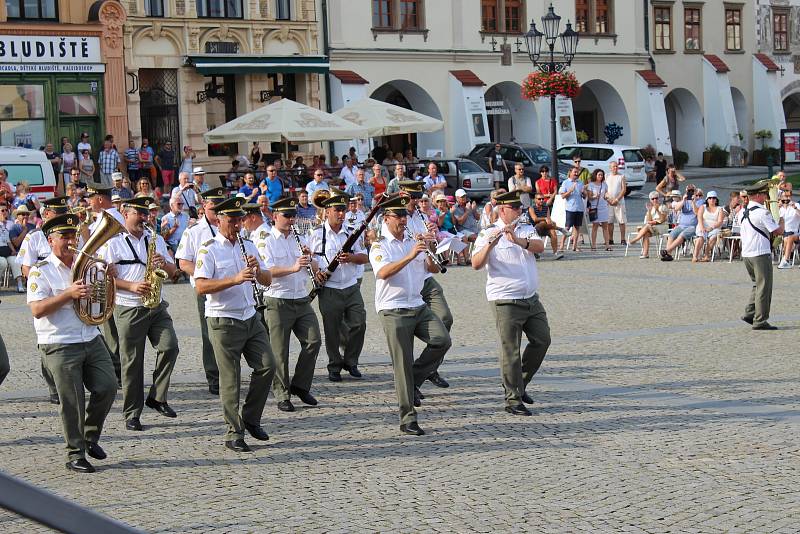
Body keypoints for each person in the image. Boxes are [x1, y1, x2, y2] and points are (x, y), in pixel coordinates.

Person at [27, 213, 118, 473]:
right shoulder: (40, 270)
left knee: (108, 387)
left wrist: (109, 276)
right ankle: (74, 453)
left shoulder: (87, 263)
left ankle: (89, 437)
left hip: (90, 336)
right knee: (72, 401)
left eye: (73, 236)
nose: (70, 241)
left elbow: (104, 297)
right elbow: (37, 309)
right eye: (64, 237)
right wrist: (68, 294)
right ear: (50, 240)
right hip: (59, 343)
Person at [194, 196, 276, 452]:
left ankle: (250, 418)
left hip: (250, 316)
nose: (237, 225)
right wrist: (235, 279)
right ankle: (233, 433)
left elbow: (267, 280)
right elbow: (201, 286)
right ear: (219, 220)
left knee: (268, 366)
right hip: (223, 319)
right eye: (231, 221)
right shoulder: (209, 249)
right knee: (231, 379)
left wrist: (257, 271)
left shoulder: (248, 245)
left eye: (239, 220)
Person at [369, 194, 451, 435]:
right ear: (387, 218)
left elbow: (433, 268)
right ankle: (407, 419)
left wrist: (433, 247)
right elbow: (383, 272)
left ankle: (413, 380)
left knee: (442, 339)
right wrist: (410, 254)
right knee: (401, 364)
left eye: (405, 216)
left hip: (417, 304)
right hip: (393, 308)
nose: (404, 220)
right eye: (399, 216)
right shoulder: (379, 245)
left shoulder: (412, 240)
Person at [101, 197, 179, 432]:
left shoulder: (154, 239)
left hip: (155, 305)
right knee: (132, 362)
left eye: (147, 214)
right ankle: (132, 413)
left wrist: (164, 263)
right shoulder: (112, 243)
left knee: (170, 347)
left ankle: (157, 396)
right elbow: (104, 279)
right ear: (126, 212)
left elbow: (174, 271)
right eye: (140, 213)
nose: (145, 219)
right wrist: (131, 286)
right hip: (129, 306)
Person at [472, 190, 550, 416]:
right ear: (502, 210)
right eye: (515, 208)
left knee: (542, 339)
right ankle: (513, 399)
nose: (520, 211)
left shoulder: (525, 228)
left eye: (520, 207)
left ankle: (518, 382)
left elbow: (539, 247)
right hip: (505, 300)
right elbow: (476, 264)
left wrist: (516, 239)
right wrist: (491, 244)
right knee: (511, 350)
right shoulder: (487, 232)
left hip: (530, 298)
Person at [256, 197, 322, 412]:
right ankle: (282, 393)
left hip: (300, 297)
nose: (291, 220)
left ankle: (300, 386)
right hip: (277, 298)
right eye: (287, 216)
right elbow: (265, 272)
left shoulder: (298, 237)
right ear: (275, 216)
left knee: (313, 340)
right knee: (279, 350)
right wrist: (293, 267)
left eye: (293, 216)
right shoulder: (266, 239)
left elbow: (313, 265)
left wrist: (309, 258)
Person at [308, 192, 369, 381]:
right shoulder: (317, 233)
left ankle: (351, 361)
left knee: (359, 323)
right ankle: (334, 365)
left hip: (350, 286)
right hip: (330, 288)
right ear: (327, 212)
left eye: (343, 210)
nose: (341, 214)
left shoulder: (352, 232)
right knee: (332, 329)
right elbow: (311, 259)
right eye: (337, 210)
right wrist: (316, 271)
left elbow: (364, 257)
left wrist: (351, 257)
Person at [399, 180, 453, 389]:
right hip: (406, 279)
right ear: (403, 195)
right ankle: (413, 379)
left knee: (445, 318)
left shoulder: (421, 217)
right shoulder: (395, 217)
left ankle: (426, 369)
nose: (415, 202)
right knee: (409, 332)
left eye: (418, 198)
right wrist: (417, 240)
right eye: (412, 198)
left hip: (425, 276)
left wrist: (431, 238)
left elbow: (431, 249)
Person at [176, 188, 227, 394]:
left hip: (230, 285)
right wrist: (202, 275)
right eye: (213, 208)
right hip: (206, 289)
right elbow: (183, 262)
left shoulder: (229, 227)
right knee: (209, 334)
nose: (216, 212)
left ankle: (229, 372)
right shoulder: (194, 231)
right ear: (204, 206)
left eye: (219, 208)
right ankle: (214, 376)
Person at [739, 182, 782, 330]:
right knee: (764, 287)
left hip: (747, 254)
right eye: (764, 194)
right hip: (760, 253)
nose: (766, 197)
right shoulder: (762, 212)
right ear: (757, 195)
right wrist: (781, 220)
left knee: (757, 284)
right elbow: (777, 231)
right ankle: (760, 320)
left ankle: (750, 313)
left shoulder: (742, 212)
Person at [661, 184, 703, 261]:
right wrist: (683, 200)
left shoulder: (700, 201)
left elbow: (697, 212)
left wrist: (693, 202)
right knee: (672, 234)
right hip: (681, 225)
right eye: (689, 191)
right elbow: (676, 209)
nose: (690, 192)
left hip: (693, 226)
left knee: (682, 235)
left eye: (692, 191)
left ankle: (667, 251)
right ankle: (668, 255)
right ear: (686, 191)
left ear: (695, 191)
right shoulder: (684, 200)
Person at [629, 192, 668, 259]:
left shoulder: (663, 207)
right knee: (646, 233)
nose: (655, 200)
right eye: (653, 199)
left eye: (656, 198)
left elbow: (662, 220)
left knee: (646, 227)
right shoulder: (651, 208)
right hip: (652, 227)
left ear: (659, 198)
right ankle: (645, 253)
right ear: (650, 200)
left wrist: (657, 210)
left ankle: (635, 239)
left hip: (662, 227)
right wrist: (649, 211)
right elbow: (648, 220)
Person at [558, 167, 586, 252]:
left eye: (577, 172)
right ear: (570, 173)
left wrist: (584, 193)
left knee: (577, 227)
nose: (577, 174)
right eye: (575, 172)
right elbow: (562, 196)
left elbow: (584, 196)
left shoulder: (580, 182)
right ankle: (562, 244)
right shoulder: (566, 183)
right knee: (567, 227)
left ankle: (574, 246)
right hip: (570, 208)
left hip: (579, 207)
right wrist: (570, 191)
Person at [693, 191, 724, 262]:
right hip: (702, 225)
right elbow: (699, 217)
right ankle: (695, 256)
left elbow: (720, 222)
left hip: (714, 227)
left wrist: (711, 227)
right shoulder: (703, 207)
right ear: (707, 199)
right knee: (700, 238)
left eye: (714, 198)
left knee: (713, 237)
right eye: (710, 198)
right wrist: (702, 227)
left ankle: (706, 255)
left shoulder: (720, 208)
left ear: (716, 199)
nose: (712, 199)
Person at [529, 193, 561, 258]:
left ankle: (555, 253)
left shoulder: (546, 208)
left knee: (552, 232)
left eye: (543, 199)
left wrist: (550, 222)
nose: (541, 200)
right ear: (535, 200)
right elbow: (535, 219)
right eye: (539, 199)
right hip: (534, 228)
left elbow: (548, 219)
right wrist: (545, 219)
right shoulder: (531, 208)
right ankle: (559, 228)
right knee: (542, 223)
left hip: (545, 228)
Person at [0, 204, 23, 292]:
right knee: (3, 263)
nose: (5, 212)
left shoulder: (7, 225)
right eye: (2, 211)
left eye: (6, 210)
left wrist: (13, 251)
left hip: (7, 250)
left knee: (15, 261)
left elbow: (8, 240)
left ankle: (19, 284)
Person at [586, 169, 611, 251]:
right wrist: (594, 196)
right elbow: (589, 197)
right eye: (599, 175)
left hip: (603, 206)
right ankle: (593, 245)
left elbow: (606, 194)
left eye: (602, 175)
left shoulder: (604, 184)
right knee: (595, 226)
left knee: (605, 226)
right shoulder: (591, 185)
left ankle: (607, 245)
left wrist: (607, 196)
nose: (600, 176)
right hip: (594, 207)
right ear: (595, 175)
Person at [605, 161, 627, 245]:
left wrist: (617, 200)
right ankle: (610, 239)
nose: (615, 168)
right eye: (613, 166)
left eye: (616, 166)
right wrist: (608, 199)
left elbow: (623, 189)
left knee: (621, 221)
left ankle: (622, 239)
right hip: (609, 202)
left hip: (619, 202)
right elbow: (605, 189)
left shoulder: (621, 176)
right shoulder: (607, 176)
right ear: (610, 168)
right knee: (609, 222)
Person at [777, 190, 800, 269]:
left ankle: (786, 260)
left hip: (796, 233)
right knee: (786, 239)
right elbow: (778, 223)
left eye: (788, 196)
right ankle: (786, 259)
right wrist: (776, 209)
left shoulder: (796, 205)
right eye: (784, 196)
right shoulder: (781, 209)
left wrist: (795, 208)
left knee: (789, 238)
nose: (786, 198)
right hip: (785, 233)